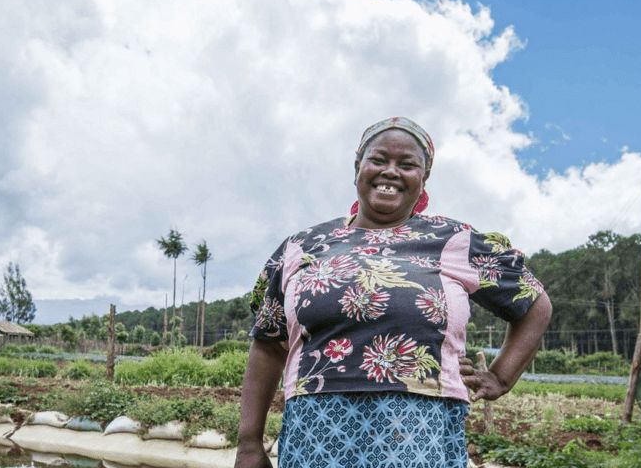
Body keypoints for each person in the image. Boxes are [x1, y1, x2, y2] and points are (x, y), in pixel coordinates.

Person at [235, 117, 554, 468]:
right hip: (315, 431)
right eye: (379, 160)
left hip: (420, 431)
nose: (391, 172)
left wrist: (501, 376)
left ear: (423, 178)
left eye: (407, 165)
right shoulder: (302, 246)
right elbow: (267, 344)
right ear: (358, 166)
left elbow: (534, 303)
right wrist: (249, 444)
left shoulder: (454, 240)